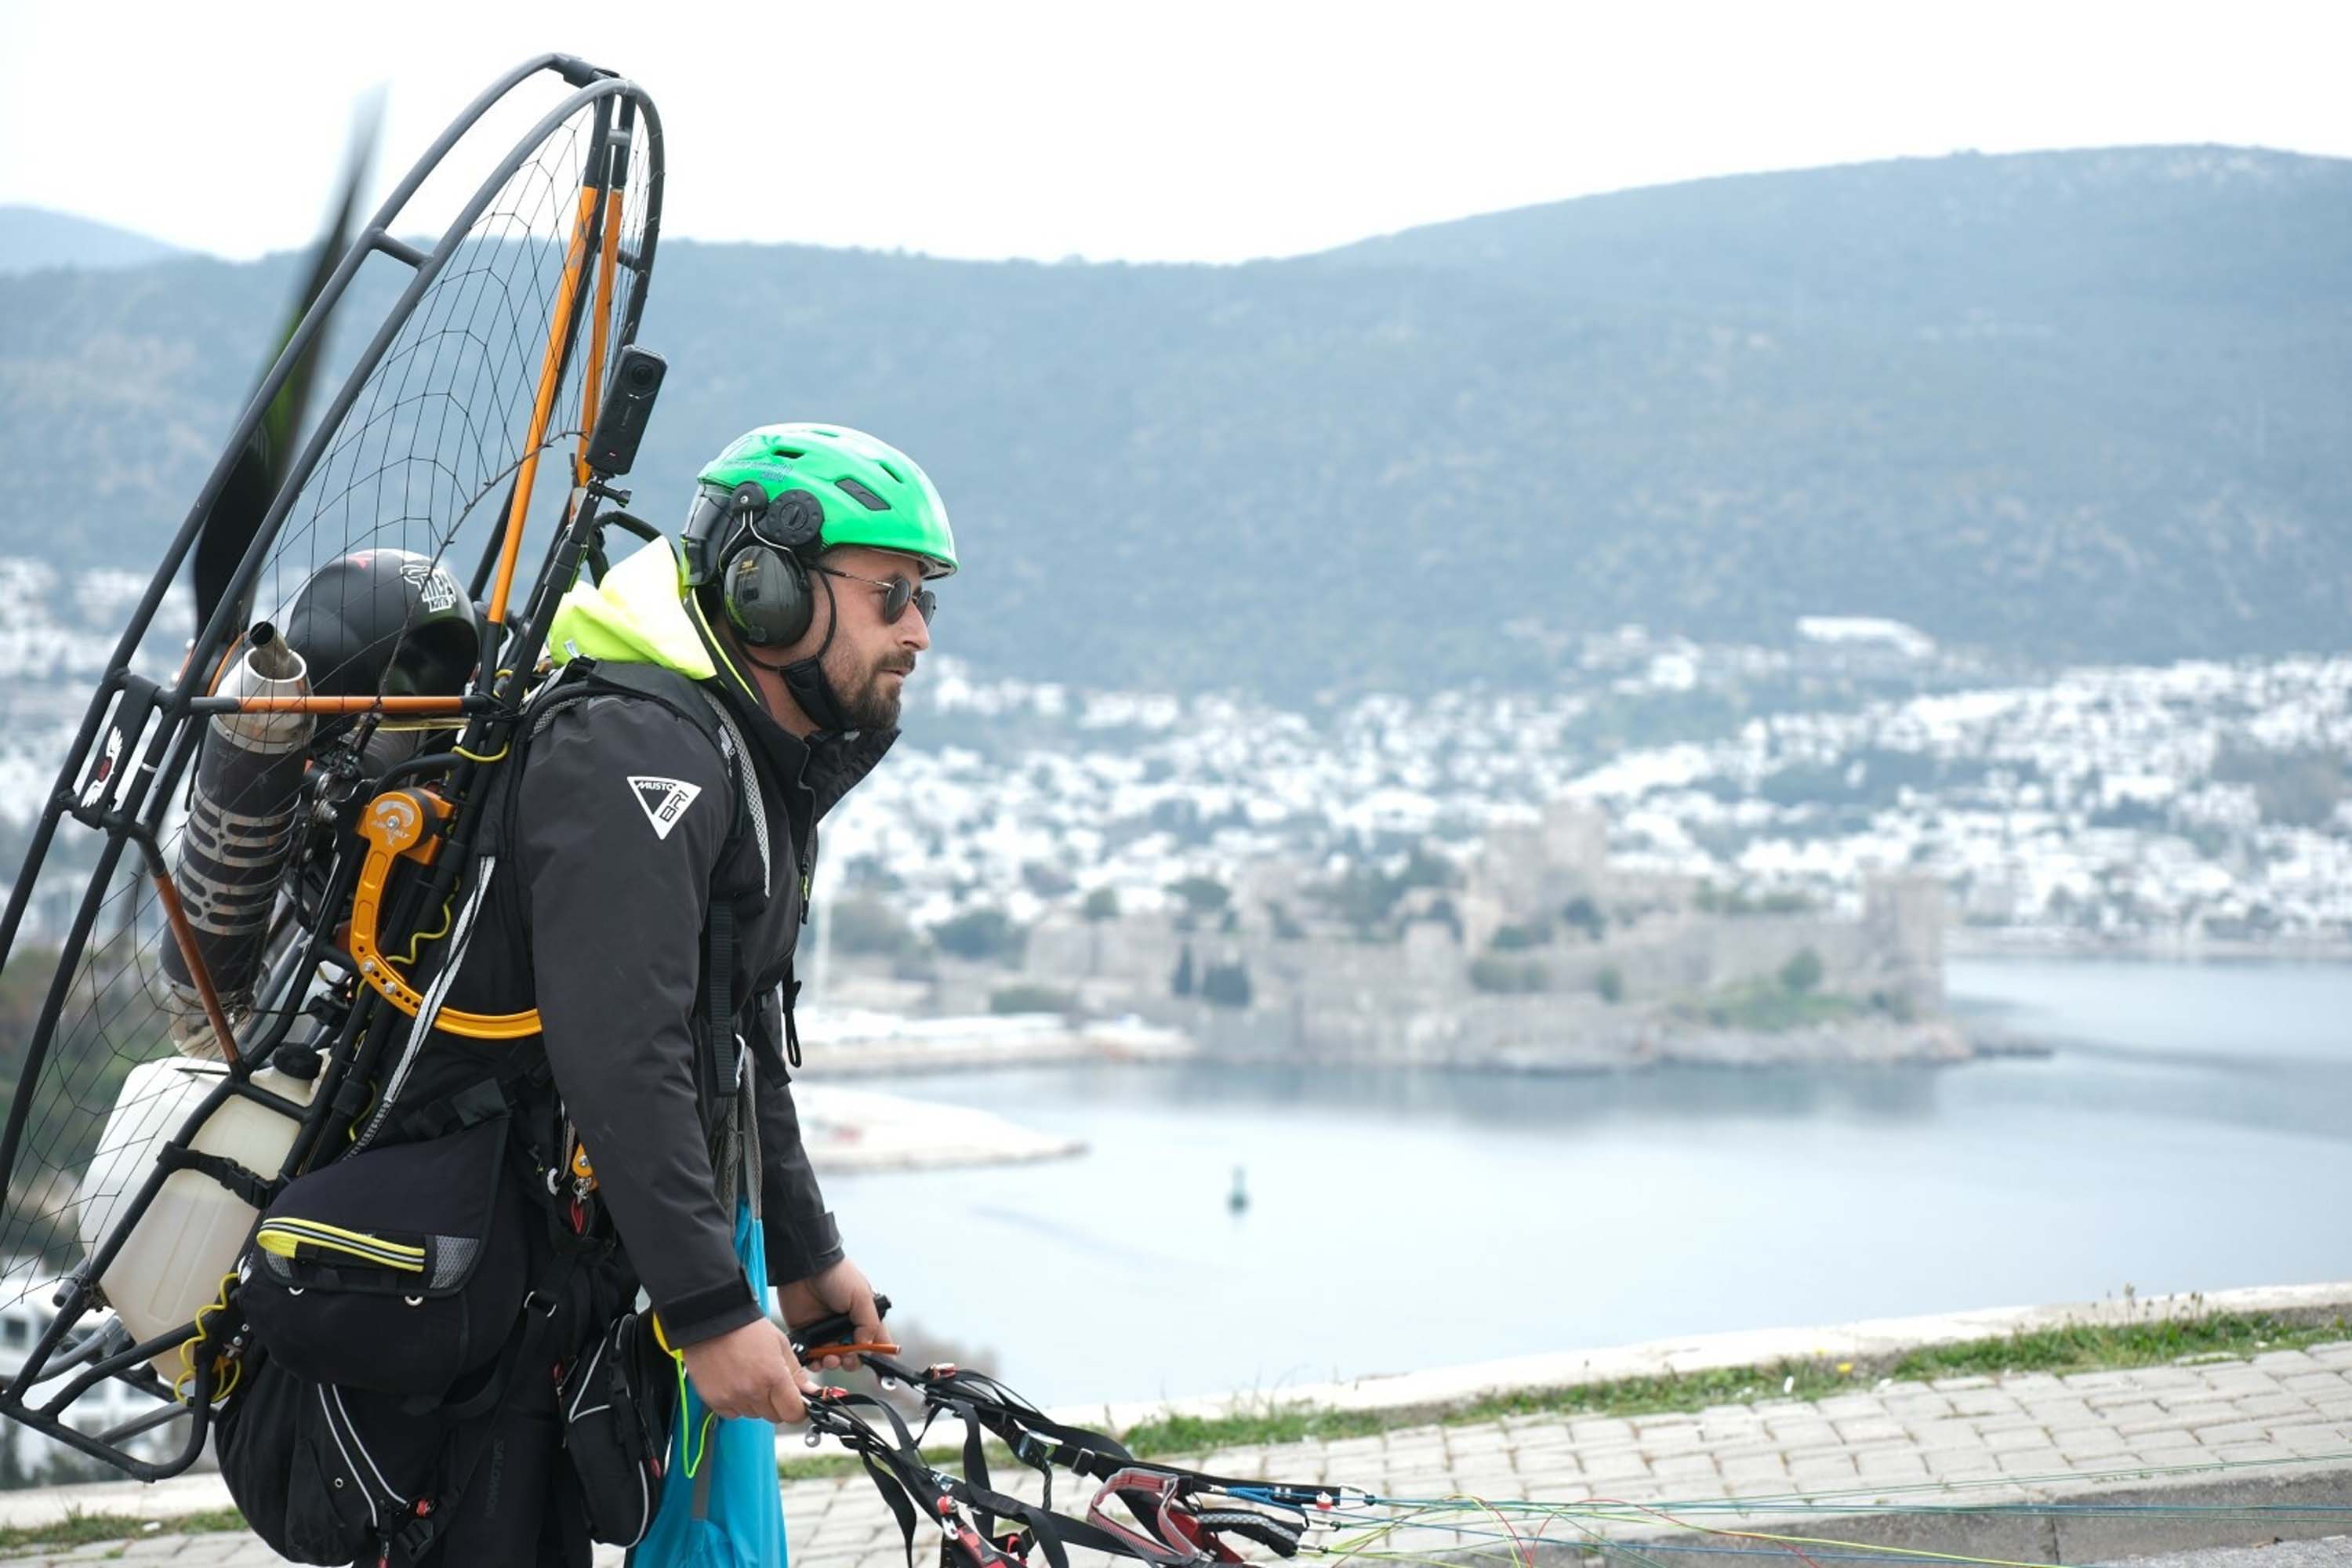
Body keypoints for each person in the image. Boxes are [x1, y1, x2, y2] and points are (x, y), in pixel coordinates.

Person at [383, 422, 955, 1563]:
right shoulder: (634, 752)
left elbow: (732, 1032)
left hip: (565, 1268)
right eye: (892, 594)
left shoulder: (732, 750)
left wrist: (799, 1250)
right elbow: (624, 1046)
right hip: (483, 1290)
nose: (919, 633)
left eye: (927, 599)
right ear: (768, 587)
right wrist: (709, 1310)